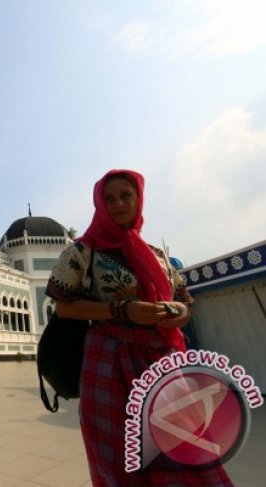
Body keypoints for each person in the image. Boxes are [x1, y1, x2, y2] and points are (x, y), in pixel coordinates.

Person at [45, 169, 232, 486]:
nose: (118, 204)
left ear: (139, 199)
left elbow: (186, 303)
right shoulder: (82, 252)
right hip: (109, 362)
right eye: (109, 198)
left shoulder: (157, 256)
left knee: (183, 446)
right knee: (119, 454)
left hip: (163, 362)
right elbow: (63, 306)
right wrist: (120, 310)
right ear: (100, 204)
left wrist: (175, 312)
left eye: (125, 196)